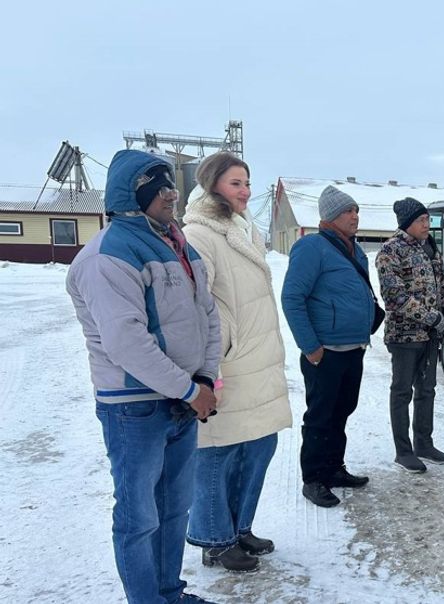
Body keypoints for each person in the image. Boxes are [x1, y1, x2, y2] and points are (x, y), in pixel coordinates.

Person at [66, 149, 220, 604]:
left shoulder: (177, 245)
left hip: (183, 400)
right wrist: (190, 389)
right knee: (139, 518)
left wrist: (204, 378)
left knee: (174, 510)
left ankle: (169, 593)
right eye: (160, 186)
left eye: (172, 184)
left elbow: (208, 315)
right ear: (133, 194)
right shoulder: (107, 255)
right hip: (134, 408)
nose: (173, 194)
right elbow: (126, 342)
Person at [181, 152, 293, 572]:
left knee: (259, 446)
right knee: (218, 454)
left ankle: (239, 527)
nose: (245, 191)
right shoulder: (198, 234)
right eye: (235, 183)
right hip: (227, 367)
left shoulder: (243, 229)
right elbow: (196, 307)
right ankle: (215, 539)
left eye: (247, 182)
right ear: (212, 185)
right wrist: (209, 368)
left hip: (256, 363)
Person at [282, 186, 373, 508]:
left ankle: (334, 468)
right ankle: (314, 479)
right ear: (331, 215)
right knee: (320, 416)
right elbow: (292, 298)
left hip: (353, 349)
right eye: (348, 210)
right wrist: (310, 347)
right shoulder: (312, 247)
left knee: (342, 411)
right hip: (326, 352)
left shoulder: (354, 249)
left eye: (356, 210)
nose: (355, 216)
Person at [376, 197, 444, 473]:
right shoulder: (390, 251)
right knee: (402, 392)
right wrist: (432, 318)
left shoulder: (430, 248)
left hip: (430, 336)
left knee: (427, 390)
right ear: (407, 222)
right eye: (421, 220)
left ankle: (424, 443)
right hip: (404, 337)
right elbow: (395, 296)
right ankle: (403, 451)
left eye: (428, 219)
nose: (427, 225)